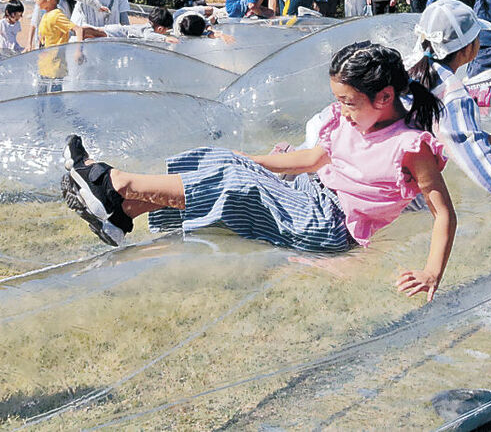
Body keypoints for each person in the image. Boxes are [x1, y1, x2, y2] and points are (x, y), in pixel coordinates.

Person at [61, 42, 457, 300]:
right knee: (225, 161)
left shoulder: (410, 146)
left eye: (348, 102)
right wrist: (251, 158)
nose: (341, 110)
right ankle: (122, 213)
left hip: (328, 225)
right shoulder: (347, 121)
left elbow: (444, 214)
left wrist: (431, 272)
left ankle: (113, 183)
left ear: (384, 97)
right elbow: (311, 160)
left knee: (233, 182)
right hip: (310, 194)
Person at [406, 0, 491, 237]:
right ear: (466, 50)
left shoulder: (409, 65)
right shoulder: (453, 92)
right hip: (395, 182)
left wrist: (483, 135)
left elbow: (425, 118)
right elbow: (466, 143)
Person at [33, 0, 86, 92]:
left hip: (55, 70)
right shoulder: (46, 15)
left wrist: (78, 51)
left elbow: (78, 29)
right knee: (40, 101)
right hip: (44, 67)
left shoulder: (56, 15)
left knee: (54, 101)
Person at [82, 7, 178, 44]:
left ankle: (81, 30)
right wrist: (164, 39)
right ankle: (80, 30)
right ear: (160, 28)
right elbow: (149, 35)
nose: (165, 33)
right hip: (118, 33)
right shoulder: (148, 30)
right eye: (165, 30)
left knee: (97, 32)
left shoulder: (145, 26)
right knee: (96, 33)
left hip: (117, 29)